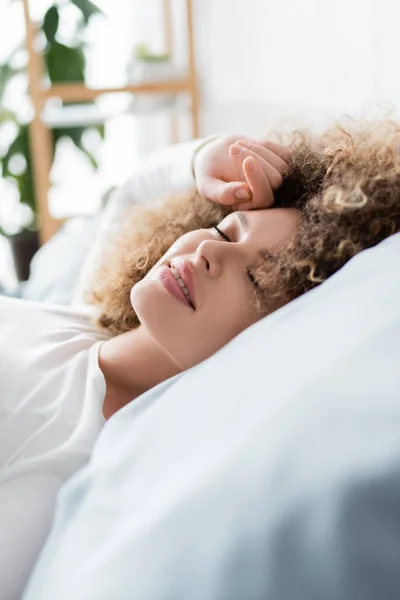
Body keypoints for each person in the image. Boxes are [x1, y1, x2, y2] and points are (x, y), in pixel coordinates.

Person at [1, 118, 400, 599]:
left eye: (255, 280)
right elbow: (131, 195)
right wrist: (204, 159)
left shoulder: (88, 472)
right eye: (227, 230)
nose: (209, 251)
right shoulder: (83, 317)